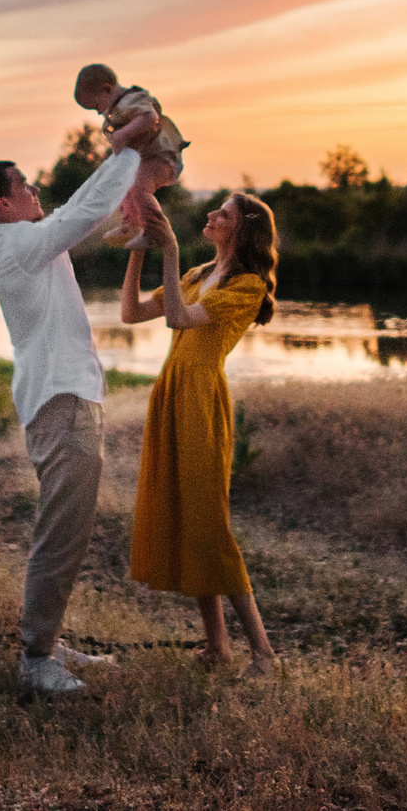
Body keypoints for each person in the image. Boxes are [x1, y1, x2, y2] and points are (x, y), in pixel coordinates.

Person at [0, 105, 159, 697]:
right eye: (23, 184)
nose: (33, 190)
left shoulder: (27, 246)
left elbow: (87, 220)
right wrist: (125, 151)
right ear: (4, 205)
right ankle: (35, 660)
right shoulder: (15, 244)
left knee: (67, 532)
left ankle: (46, 642)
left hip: (69, 400)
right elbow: (81, 212)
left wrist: (131, 214)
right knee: (62, 533)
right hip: (61, 404)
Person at [118, 190, 280, 673]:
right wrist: (140, 251)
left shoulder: (248, 287)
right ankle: (217, 647)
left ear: (243, 229)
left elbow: (179, 318)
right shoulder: (194, 276)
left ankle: (265, 654)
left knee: (209, 522)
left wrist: (168, 249)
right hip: (170, 394)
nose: (211, 216)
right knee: (189, 518)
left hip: (202, 402)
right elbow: (130, 314)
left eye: (223, 214)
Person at [74, 63, 188, 236]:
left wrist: (124, 134)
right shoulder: (118, 110)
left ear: (106, 90)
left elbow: (150, 117)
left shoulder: (131, 100)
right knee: (127, 189)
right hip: (149, 158)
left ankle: (154, 232)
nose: (98, 113)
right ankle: (133, 226)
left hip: (162, 156)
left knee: (139, 188)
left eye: (97, 106)